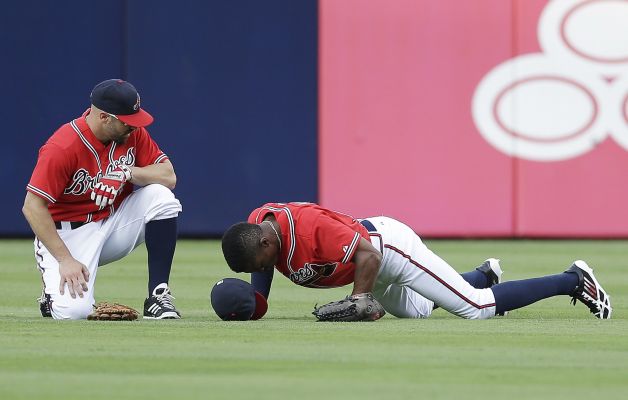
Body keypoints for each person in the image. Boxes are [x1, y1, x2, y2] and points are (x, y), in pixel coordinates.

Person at [221, 202, 612, 320]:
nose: (260, 272)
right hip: (367, 263)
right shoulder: (259, 230)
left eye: (258, 264)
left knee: (476, 308)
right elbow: (260, 264)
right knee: (418, 311)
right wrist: (258, 305)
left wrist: (360, 299)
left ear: (266, 244)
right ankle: (482, 274)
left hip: (387, 250)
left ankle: (573, 280)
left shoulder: (308, 229)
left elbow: (368, 254)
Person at [22, 79, 183, 320]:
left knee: (162, 197)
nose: (134, 127)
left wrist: (127, 172)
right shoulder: (63, 146)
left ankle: (158, 296)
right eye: (127, 122)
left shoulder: (133, 134)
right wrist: (65, 259)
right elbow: (32, 207)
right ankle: (51, 299)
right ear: (104, 118)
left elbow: (169, 176)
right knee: (73, 313)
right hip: (69, 236)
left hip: (113, 224)